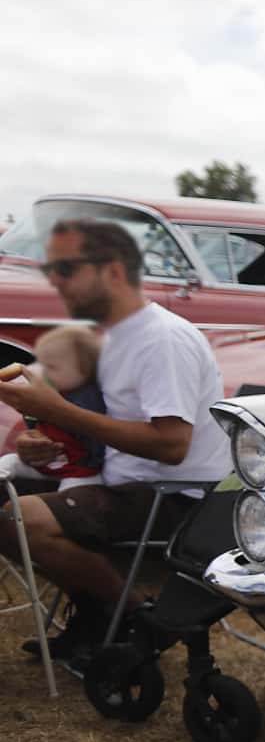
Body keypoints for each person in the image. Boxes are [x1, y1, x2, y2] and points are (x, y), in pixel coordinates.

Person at [0, 219, 230, 665]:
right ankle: (97, 614)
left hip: (176, 494)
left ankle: (137, 617)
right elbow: (93, 425)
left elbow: (171, 445)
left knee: (14, 521)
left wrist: (57, 412)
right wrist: (39, 442)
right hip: (118, 478)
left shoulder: (161, 339)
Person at [0, 325, 107, 488]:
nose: (43, 373)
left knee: (71, 489)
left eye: (52, 367)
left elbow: (96, 440)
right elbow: (34, 424)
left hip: (80, 471)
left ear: (84, 370)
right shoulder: (51, 389)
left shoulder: (88, 399)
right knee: (9, 461)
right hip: (48, 464)